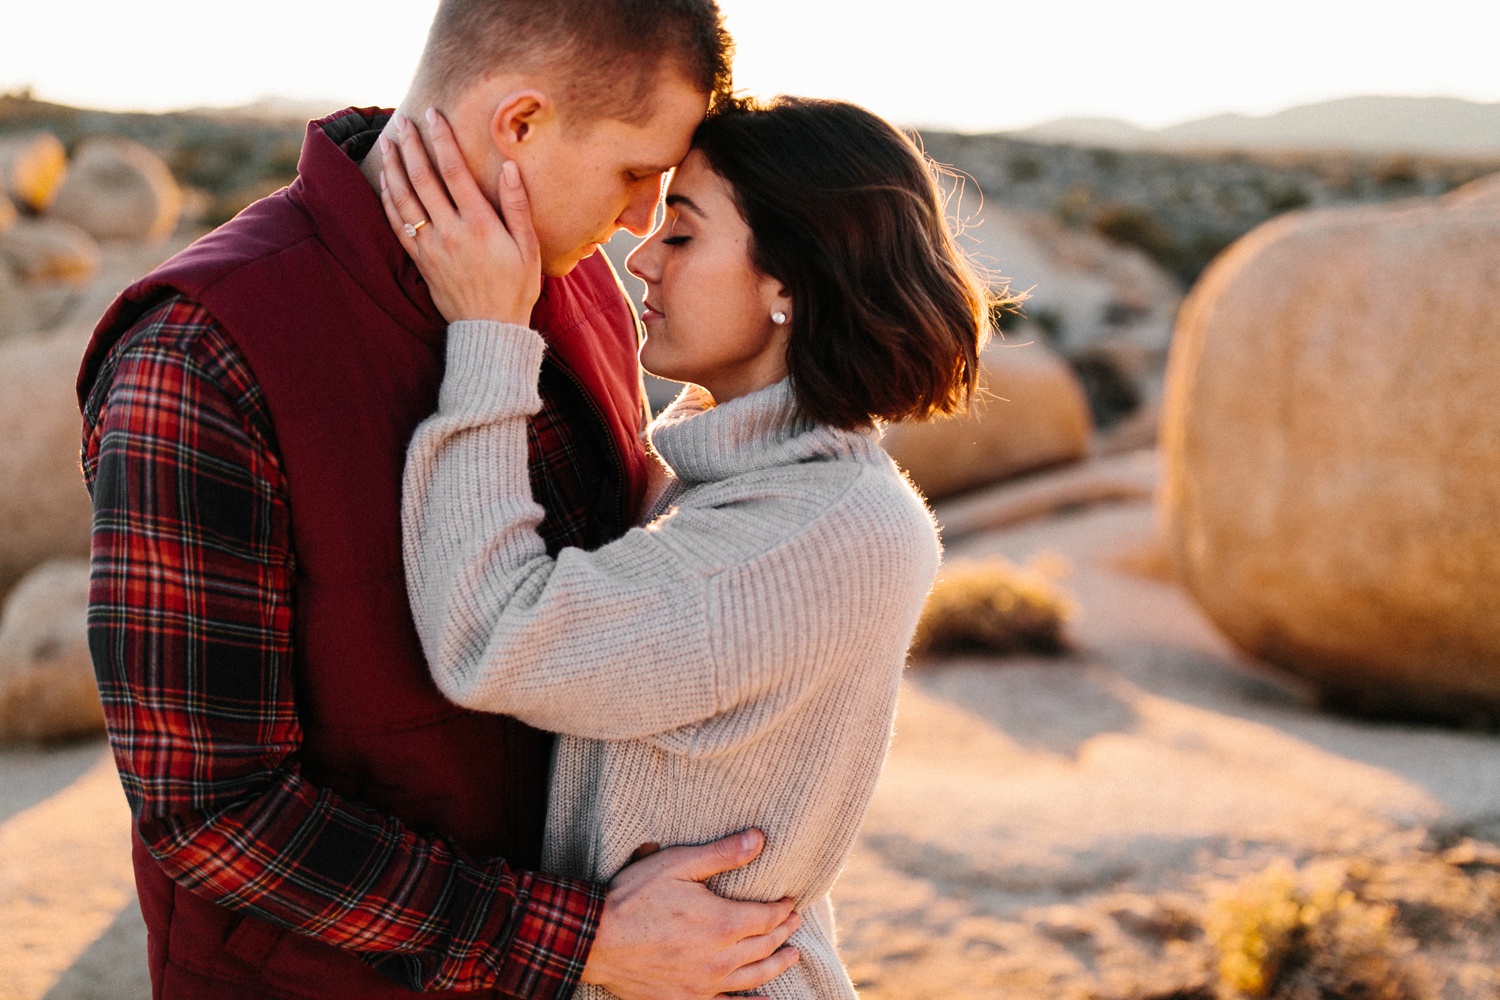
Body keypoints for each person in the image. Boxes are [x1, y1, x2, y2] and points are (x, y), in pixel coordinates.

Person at [74, 3, 805, 999]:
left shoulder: (577, 280)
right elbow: (212, 810)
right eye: (636, 173)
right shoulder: (201, 356)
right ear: (520, 124)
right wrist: (575, 938)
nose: (642, 223)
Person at [379, 95, 995, 998]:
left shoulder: (809, 529)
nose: (640, 258)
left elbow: (492, 638)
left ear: (789, 283)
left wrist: (489, 334)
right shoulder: (766, 485)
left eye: (682, 234)